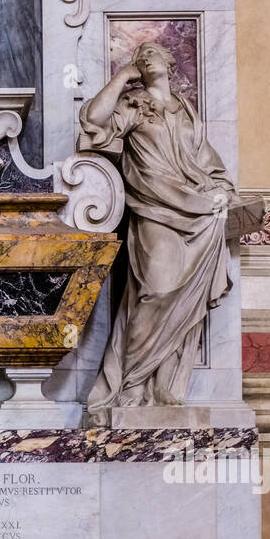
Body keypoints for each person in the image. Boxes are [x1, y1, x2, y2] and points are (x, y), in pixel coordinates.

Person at [78, 42, 236, 419]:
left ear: (169, 62)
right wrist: (119, 78)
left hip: (197, 215)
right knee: (157, 289)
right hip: (153, 210)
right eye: (141, 55)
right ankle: (130, 382)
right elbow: (94, 122)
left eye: (154, 52)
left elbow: (207, 162)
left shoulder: (186, 111)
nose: (147, 57)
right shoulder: (135, 104)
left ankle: (161, 383)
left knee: (185, 301)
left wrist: (219, 191)